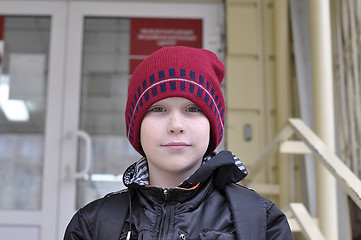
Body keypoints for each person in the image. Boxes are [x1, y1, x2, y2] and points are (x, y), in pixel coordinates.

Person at [64, 46, 294, 240]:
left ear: (213, 125)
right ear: (137, 126)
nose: (176, 124)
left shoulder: (263, 223)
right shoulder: (92, 225)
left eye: (192, 109)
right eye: (158, 109)